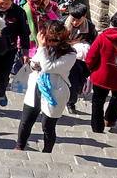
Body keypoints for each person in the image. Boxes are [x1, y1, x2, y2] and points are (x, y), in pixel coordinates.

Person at [16, 21, 78, 153]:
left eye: (55, 40)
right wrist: (34, 64)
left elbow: (48, 67)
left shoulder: (70, 54)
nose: (51, 43)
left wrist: (42, 47)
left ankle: (47, 151)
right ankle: (19, 146)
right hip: (36, 86)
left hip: (55, 91)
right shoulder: (44, 48)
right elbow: (36, 62)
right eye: (49, 39)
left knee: (48, 126)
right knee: (26, 121)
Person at [85, 10, 117, 133]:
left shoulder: (102, 38)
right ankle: (110, 119)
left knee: (98, 101)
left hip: (100, 75)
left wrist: (92, 69)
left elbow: (90, 58)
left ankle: (97, 127)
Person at [0, 0, 28, 107]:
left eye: (7, 4)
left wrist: (25, 52)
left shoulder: (19, 12)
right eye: (1, 3)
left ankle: (1, 93)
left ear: (12, 1)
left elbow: (24, 33)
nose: (3, 6)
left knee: (3, 76)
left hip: (9, 49)